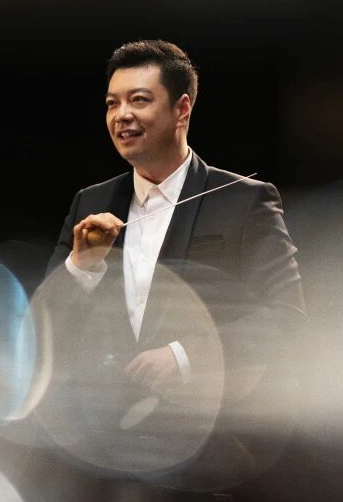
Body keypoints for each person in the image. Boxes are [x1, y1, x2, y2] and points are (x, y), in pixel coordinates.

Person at [46, 39, 304, 400]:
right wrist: (81, 268)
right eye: (112, 103)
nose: (121, 115)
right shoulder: (89, 202)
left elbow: (287, 318)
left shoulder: (244, 201)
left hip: (209, 419)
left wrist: (185, 357)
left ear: (182, 109)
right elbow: (45, 326)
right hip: (106, 422)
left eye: (138, 100)